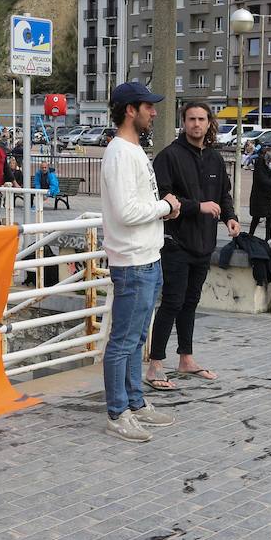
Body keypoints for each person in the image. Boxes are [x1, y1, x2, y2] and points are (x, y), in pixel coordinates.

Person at [99, 81, 179, 443]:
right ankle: (118, 412)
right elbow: (127, 211)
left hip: (147, 257)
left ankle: (135, 402)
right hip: (132, 262)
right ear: (130, 110)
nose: (154, 112)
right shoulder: (119, 152)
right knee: (124, 340)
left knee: (135, 339)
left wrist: (161, 208)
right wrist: (166, 206)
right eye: (148, 106)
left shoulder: (132, 151)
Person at [147, 101, 239, 390]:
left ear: (209, 122)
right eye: (191, 119)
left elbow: (223, 194)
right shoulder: (169, 156)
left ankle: (186, 358)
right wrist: (197, 206)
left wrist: (230, 218)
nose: (196, 124)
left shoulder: (214, 158)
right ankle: (155, 365)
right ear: (183, 122)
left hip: (204, 243)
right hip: (175, 241)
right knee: (172, 301)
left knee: (191, 302)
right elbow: (161, 198)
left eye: (201, 119)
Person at [249, 146, 271, 241]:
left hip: (267, 196)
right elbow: (264, 181)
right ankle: (250, 236)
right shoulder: (260, 165)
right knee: (256, 217)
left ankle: (268, 238)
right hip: (258, 196)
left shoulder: (270, 168)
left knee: (270, 216)